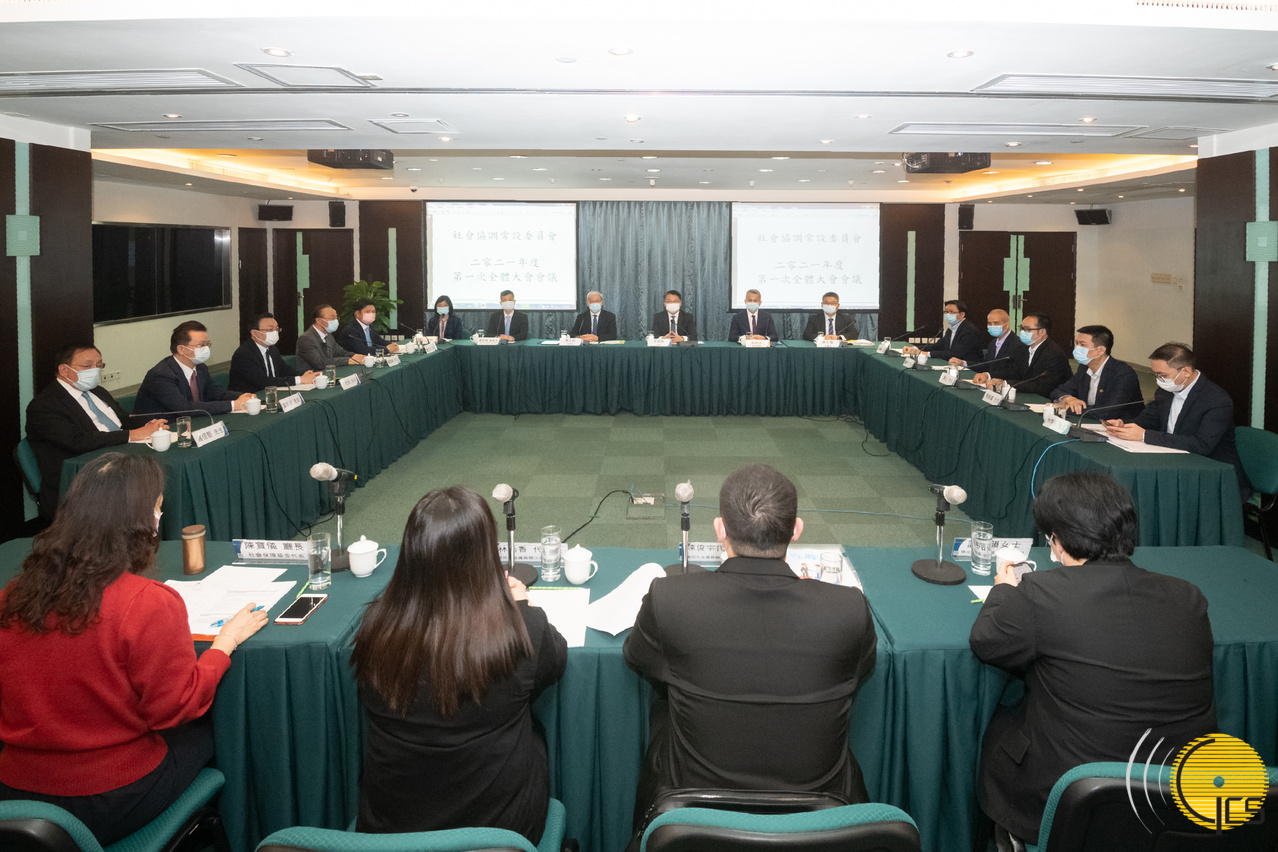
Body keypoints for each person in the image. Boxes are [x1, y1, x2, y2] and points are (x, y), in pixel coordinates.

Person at [0, 453, 267, 845]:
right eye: (158, 508)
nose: (161, 517)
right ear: (140, 522)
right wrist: (223, 646)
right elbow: (175, 708)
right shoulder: (147, 602)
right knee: (216, 731)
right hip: (109, 796)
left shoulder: (13, 594)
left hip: (16, 792)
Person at [969, 471, 1215, 846]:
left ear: (1057, 541)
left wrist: (1003, 589)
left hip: (1072, 804)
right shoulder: (1189, 596)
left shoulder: (1041, 592)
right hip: (1178, 805)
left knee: (999, 725)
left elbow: (986, 640)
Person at [624, 464, 877, 826]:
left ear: (719, 529)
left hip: (694, 818)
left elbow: (636, 656)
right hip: (818, 821)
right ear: (797, 529)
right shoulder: (847, 608)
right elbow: (862, 669)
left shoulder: (670, 598)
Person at [351, 486, 567, 843]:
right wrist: (520, 606)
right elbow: (555, 661)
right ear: (486, 557)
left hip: (391, 835)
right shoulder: (523, 629)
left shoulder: (375, 629)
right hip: (500, 835)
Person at [24, 344, 167, 519]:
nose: (95, 371)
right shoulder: (44, 406)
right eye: (87, 366)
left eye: (99, 365)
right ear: (64, 370)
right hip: (82, 481)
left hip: (120, 461)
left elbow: (124, 420)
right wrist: (132, 435)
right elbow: (77, 441)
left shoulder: (97, 391)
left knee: (162, 473)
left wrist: (148, 425)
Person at [1104, 342, 1252, 498]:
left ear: (1186, 371)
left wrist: (1144, 435)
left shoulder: (1216, 400)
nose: (1158, 380)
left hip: (1212, 473)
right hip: (1172, 461)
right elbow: (1148, 419)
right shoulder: (1165, 391)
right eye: (1156, 375)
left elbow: (1202, 445)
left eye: (1163, 375)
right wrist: (1124, 425)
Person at [133, 321, 255, 416]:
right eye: (201, 345)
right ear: (182, 349)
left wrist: (242, 397)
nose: (206, 349)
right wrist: (233, 405)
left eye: (207, 344)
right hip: (158, 431)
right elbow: (184, 408)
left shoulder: (200, 368)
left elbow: (215, 392)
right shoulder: (161, 375)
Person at [1049, 324, 1144, 420]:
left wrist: (1065, 407)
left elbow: (1108, 412)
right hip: (1091, 420)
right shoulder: (1084, 368)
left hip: (1122, 424)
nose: (1077, 348)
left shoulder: (1123, 374)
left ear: (1100, 350)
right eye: (1077, 343)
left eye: (1082, 344)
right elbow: (1058, 391)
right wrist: (1067, 398)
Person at [977, 312, 1072, 398]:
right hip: (1028, 394)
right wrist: (988, 375)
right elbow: (1014, 371)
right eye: (1022, 328)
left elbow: (1042, 385)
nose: (1022, 332)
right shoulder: (1024, 348)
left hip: (1048, 400)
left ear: (1042, 332)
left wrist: (1006, 383)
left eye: (1027, 329)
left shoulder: (1054, 354)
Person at [228, 313, 321, 393]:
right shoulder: (244, 354)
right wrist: (300, 380)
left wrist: (305, 374)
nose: (275, 332)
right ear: (254, 333)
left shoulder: (272, 349)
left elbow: (284, 370)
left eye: (277, 329)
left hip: (271, 394)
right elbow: (264, 382)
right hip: (249, 398)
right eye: (270, 330)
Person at [904, 299, 984, 364]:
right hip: (953, 365)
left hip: (970, 369)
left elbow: (955, 354)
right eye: (946, 312)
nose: (948, 314)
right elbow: (938, 346)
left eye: (951, 312)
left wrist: (925, 353)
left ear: (962, 314)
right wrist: (915, 348)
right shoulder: (951, 329)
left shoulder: (969, 331)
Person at [296, 304, 367, 372]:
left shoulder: (328, 335)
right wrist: (348, 360)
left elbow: (340, 352)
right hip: (311, 376)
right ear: (319, 320)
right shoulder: (306, 339)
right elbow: (320, 363)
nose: (336, 321)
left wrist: (354, 356)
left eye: (336, 318)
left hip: (328, 374)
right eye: (332, 318)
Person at [963, 309, 1026, 382]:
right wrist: (964, 363)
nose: (992, 326)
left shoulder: (1018, 344)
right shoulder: (992, 343)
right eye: (989, 323)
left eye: (996, 323)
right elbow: (987, 365)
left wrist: (988, 375)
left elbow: (1014, 373)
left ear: (1007, 325)